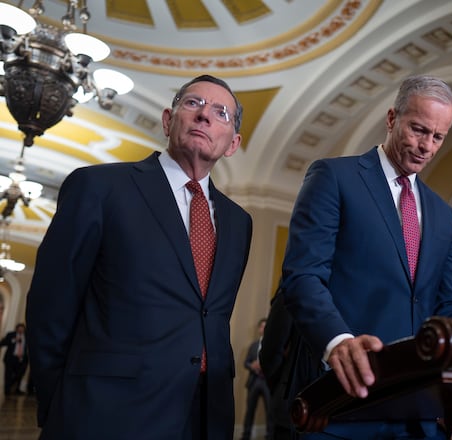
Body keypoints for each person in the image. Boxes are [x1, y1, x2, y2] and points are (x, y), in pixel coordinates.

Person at [268, 74, 452, 439]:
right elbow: (303, 277)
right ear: (392, 119)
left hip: (417, 408)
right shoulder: (335, 177)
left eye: (438, 137)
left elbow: (450, 304)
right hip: (344, 398)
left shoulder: (441, 213)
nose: (426, 145)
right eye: (418, 129)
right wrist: (337, 342)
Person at [25, 75, 253, 440]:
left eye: (220, 112)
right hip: (104, 413)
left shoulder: (240, 222)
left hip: (204, 415)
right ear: (168, 119)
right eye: (193, 103)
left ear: (233, 144)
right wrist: (60, 400)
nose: (204, 116)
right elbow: (51, 305)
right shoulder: (99, 187)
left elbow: (211, 314)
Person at [241, 318, 273, 440]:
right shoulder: (253, 345)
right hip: (254, 381)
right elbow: (245, 363)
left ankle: (270, 436)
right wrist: (252, 366)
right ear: (259, 329)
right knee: (249, 411)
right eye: (262, 327)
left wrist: (265, 366)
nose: (263, 329)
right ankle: (245, 436)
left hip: (267, 383)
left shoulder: (273, 344)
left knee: (270, 411)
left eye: (266, 327)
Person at [0, 323, 28, 396]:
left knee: (19, 375)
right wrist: (13, 340)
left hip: (21, 359)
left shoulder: (26, 336)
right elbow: (2, 343)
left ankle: (17, 389)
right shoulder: (11, 334)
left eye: (22, 328)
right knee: (8, 375)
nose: (21, 330)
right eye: (19, 328)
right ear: (17, 328)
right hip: (10, 359)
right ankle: (7, 391)